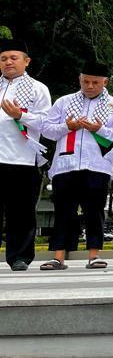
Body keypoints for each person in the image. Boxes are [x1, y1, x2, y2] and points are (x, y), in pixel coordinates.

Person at [39, 62, 113, 270]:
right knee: (63, 211)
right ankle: (58, 256)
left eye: (95, 82)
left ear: (105, 82)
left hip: (97, 164)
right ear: (80, 80)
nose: (89, 86)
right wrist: (67, 126)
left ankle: (94, 255)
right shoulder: (64, 102)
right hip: (65, 164)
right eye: (85, 81)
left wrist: (101, 129)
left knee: (94, 211)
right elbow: (46, 130)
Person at [0, 41, 49, 271]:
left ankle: (19, 257)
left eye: (13, 57)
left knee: (20, 212)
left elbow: (47, 123)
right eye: (3, 58)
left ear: (26, 61)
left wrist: (20, 114)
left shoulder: (38, 88)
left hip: (22, 159)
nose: (8, 62)